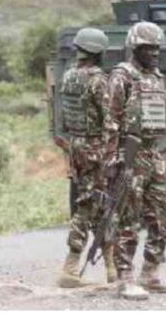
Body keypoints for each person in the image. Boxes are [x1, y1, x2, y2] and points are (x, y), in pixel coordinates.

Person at [103, 21, 166, 300]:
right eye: (149, 48)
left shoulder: (156, 76)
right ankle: (125, 278)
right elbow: (110, 121)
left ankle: (151, 272)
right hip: (129, 154)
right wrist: (112, 159)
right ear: (135, 48)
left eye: (157, 49)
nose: (155, 54)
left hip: (152, 153)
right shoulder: (122, 76)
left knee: (165, 215)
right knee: (128, 218)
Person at [57, 27, 116, 288]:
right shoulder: (98, 80)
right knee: (89, 205)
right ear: (99, 52)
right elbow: (110, 120)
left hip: (76, 146)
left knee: (99, 204)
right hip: (95, 149)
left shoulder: (68, 76)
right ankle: (70, 266)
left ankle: (112, 267)